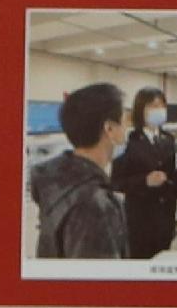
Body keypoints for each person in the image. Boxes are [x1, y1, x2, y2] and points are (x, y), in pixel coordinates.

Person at [39, 85, 129, 259]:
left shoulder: (58, 185)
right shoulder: (95, 205)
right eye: (125, 121)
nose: (126, 128)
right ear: (109, 129)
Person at [107, 84, 177, 260]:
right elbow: (116, 182)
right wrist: (144, 181)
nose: (159, 110)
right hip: (140, 219)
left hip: (166, 217)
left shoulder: (168, 139)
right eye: (153, 106)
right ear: (141, 110)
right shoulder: (127, 142)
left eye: (162, 105)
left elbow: (173, 175)